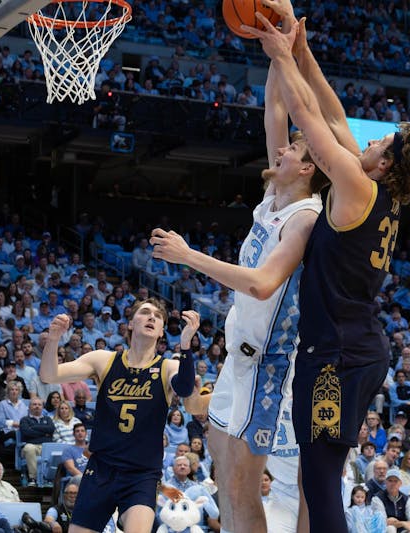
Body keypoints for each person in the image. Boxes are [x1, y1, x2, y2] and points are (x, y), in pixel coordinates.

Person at [242, 10, 410, 533]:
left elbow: (307, 117)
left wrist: (280, 55)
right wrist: (302, 51)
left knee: (321, 478)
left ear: (386, 162)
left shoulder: (357, 185)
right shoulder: (376, 190)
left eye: (381, 142)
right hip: (352, 349)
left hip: (336, 356)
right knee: (319, 473)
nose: (368, 141)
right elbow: (332, 112)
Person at [149, 16, 325, 533]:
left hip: (270, 364)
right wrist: (278, 47)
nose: (283, 150)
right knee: (225, 476)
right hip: (237, 360)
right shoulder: (275, 198)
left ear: (308, 168)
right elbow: (274, 108)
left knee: (244, 486)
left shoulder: (305, 216)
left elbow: (262, 283)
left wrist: (189, 256)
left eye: (294, 149)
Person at [39, 300, 199, 533]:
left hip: (141, 473)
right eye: (145, 313)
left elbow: (184, 389)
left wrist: (185, 345)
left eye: (157, 315)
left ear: (162, 330)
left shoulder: (168, 367)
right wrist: (53, 339)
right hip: (101, 469)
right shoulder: (104, 360)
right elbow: (49, 374)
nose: (151, 317)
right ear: (131, 324)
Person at [369, 469, 410, 533]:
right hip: (384, 530)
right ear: (385, 482)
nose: (393, 483)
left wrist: (403, 523)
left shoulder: (405, 498)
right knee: (391, 528)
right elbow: (382, 522)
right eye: (390, 481)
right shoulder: (377, 498)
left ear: (400, 483)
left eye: (396, 481)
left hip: (402, 529)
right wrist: (402, 524)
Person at [19, 396, 55, 486]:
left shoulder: (48, 419)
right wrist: (44, 433)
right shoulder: (24, 420)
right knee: (29, 448)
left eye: (39, 404)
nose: (37, 406)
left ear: (42, 407)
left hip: (46, 446)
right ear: (30, 407)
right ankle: (33, 478)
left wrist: (34, 428)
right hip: (31, 446)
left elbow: (51, 429)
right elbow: (26, 432)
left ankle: (49, 478)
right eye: (34, 404)